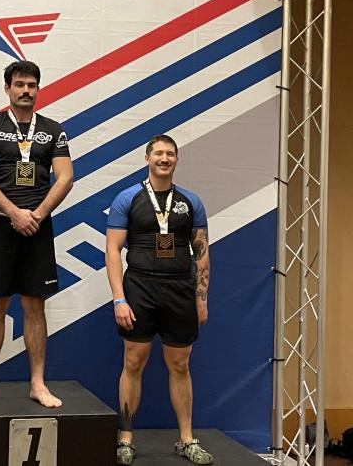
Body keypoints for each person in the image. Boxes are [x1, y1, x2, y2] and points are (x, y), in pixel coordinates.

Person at [0, 60, 73, 409]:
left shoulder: (53, 130)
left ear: (38, 89)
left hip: (38, 227)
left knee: (34, 305)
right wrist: (14, 213)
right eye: (19, 85)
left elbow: (66, 178)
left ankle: (38, 383)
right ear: (7, 89)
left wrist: (36, 215)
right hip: (0, 224)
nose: (25, 91)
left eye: (31, 85)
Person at [106, 135, 213, 465]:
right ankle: (125, 439)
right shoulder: (127, 198)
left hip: (180, 290)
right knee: (133, 362)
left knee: (180, 365)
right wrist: (119, 299)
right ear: (147, 158)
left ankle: (186, 439)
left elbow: (202, 253)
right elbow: (112, 250)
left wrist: (201, 298)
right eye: (158, 153)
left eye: (170, 154)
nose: (164, 159)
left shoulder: (191, 202)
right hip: (139, 288)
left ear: (176, 160)